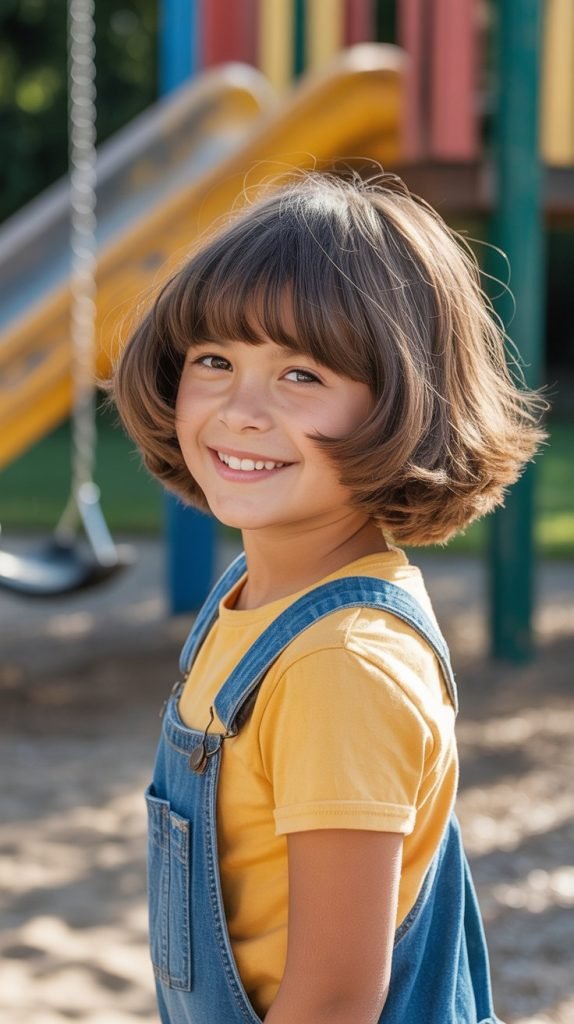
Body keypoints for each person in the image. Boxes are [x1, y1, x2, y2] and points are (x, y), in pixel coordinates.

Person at [112, 171, 545, 1024]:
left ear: (404, 405)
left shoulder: (341, 664)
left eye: (302, 375)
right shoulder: (250, 599)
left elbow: (336, 999)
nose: (241, 410)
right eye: (215, 360)